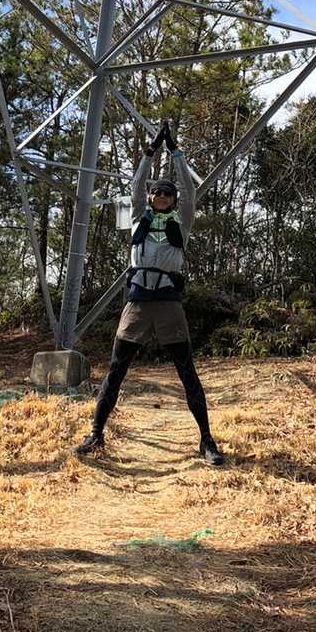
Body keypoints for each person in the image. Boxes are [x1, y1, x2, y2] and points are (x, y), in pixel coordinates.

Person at [74, 121, 224, 465]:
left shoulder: (182, 223)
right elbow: (135, 187)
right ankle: (96, 434)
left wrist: (176, 153)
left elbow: (190, 190)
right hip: (138, 300)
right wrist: (149, 152)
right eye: (158, 193)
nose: (162, 196)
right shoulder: (137, 219)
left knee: (187, 371)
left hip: (169, 302)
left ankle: (206, 440)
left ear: (174, 200)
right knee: (116, 369)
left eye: (167, 194)